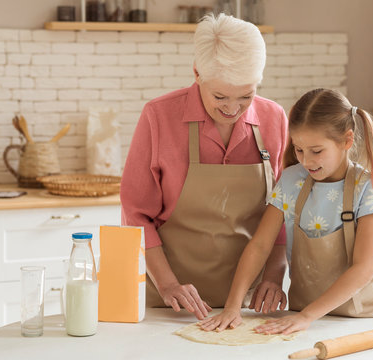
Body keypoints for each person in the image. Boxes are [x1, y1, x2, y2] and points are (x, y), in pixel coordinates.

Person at [120, 13, 289, 321]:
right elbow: (135, 213)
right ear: (197, 73)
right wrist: (168, 284)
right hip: (172, 303)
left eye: (246, 96)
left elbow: (280, 212)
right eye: (220, 96)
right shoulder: (158, 117)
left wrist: (274, 276)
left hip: (248, 305)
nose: (232, 109)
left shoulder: (274, 118)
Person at [200, 88, 373, 334]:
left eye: (316, 151)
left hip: (360, 322)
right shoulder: (292, 181)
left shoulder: (366, 189)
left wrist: (307, 316)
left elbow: (363, 269)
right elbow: (260, 245)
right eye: (299, 149)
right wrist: (232, 307)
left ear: (347, 141)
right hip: (305, 320)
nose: (306, 161)